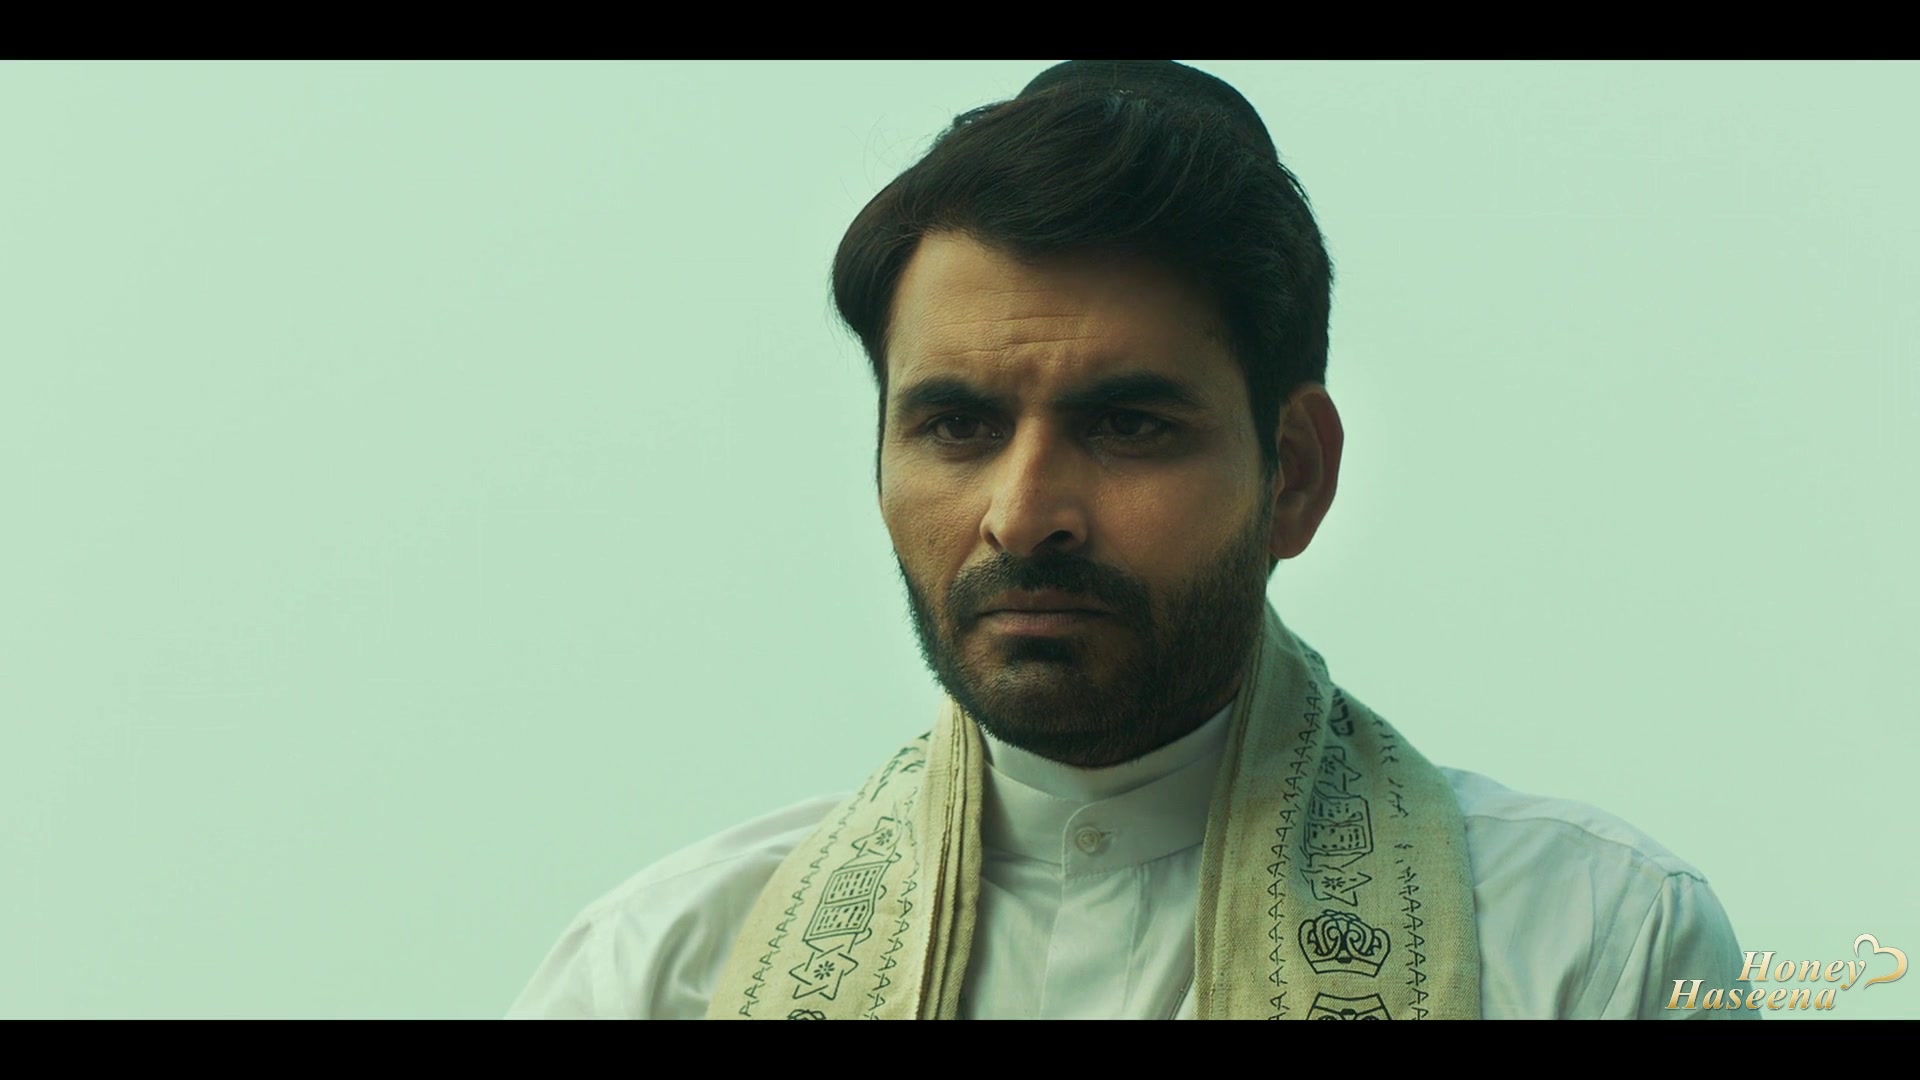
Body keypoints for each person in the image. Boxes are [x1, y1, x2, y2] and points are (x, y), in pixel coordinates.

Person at [507, 60, 1751, 1020]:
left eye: (1127, 426)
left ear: (1295, 475)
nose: (1023, 513)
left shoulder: (1594, 945)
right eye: (957, 426)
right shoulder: (661, 971)